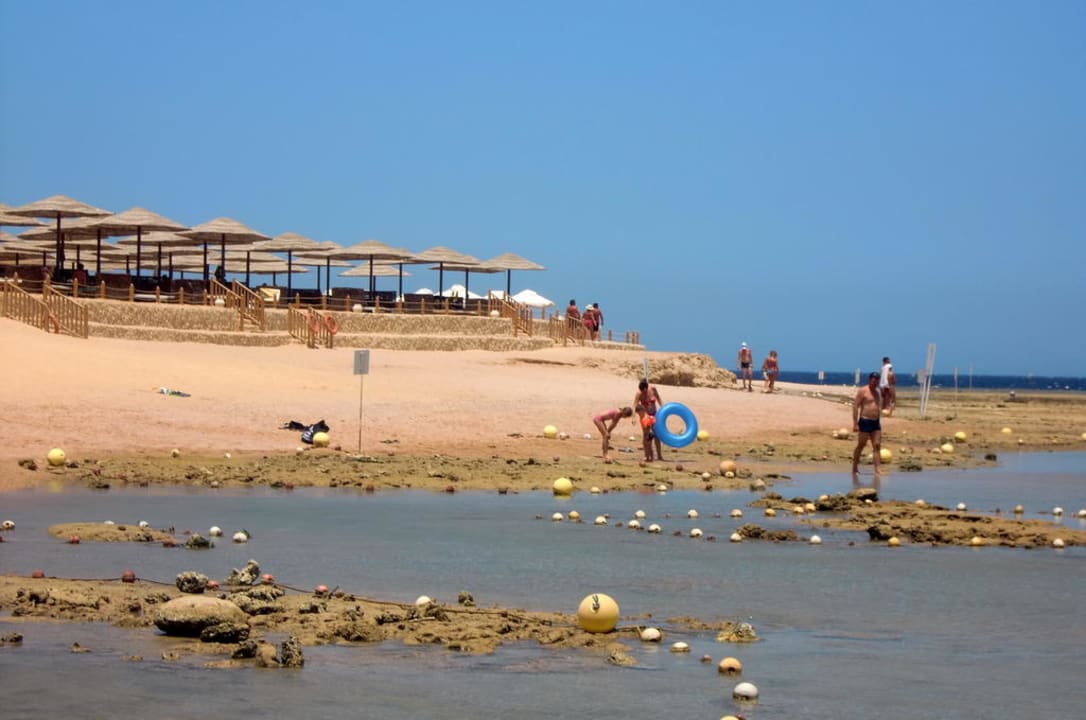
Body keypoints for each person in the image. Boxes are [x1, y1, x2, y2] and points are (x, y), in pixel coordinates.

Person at [852, 372, 884, 477]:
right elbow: (855, 406)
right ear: (870, 380)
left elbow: (878, 406)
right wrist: (855, 423)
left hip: (876, 422)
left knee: (877, 445)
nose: (875, 382)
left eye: (877, 380)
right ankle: (855, 467)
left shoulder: (877, 392)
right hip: (865, 421)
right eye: (873, 380)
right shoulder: (863, 391)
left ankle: (877, 469)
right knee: (861, 445)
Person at [634, 379, 664, 461]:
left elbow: (658, 398)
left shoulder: (653, 389)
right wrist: (634, 418)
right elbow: (634, 405)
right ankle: (647, 455)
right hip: (646, 417)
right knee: (646, 436)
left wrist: (663, 408)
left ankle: (659, 455)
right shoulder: (639, 393)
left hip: (655, 415)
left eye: (643, 391)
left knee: (657, 435)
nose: (642, 392)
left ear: (646, 389)